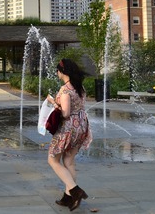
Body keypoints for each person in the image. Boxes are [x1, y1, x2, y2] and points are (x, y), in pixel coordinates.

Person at [46, 58, 92, 211]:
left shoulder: (65, 90)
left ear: (62, 72)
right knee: (69, 161)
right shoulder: (80, 87)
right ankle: (68, 198)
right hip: (82, 126)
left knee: (53, 159)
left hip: (68, 128)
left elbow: (65, 113)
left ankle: (75, 190)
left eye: (58, 71)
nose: (57, 73)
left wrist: (52, 102)